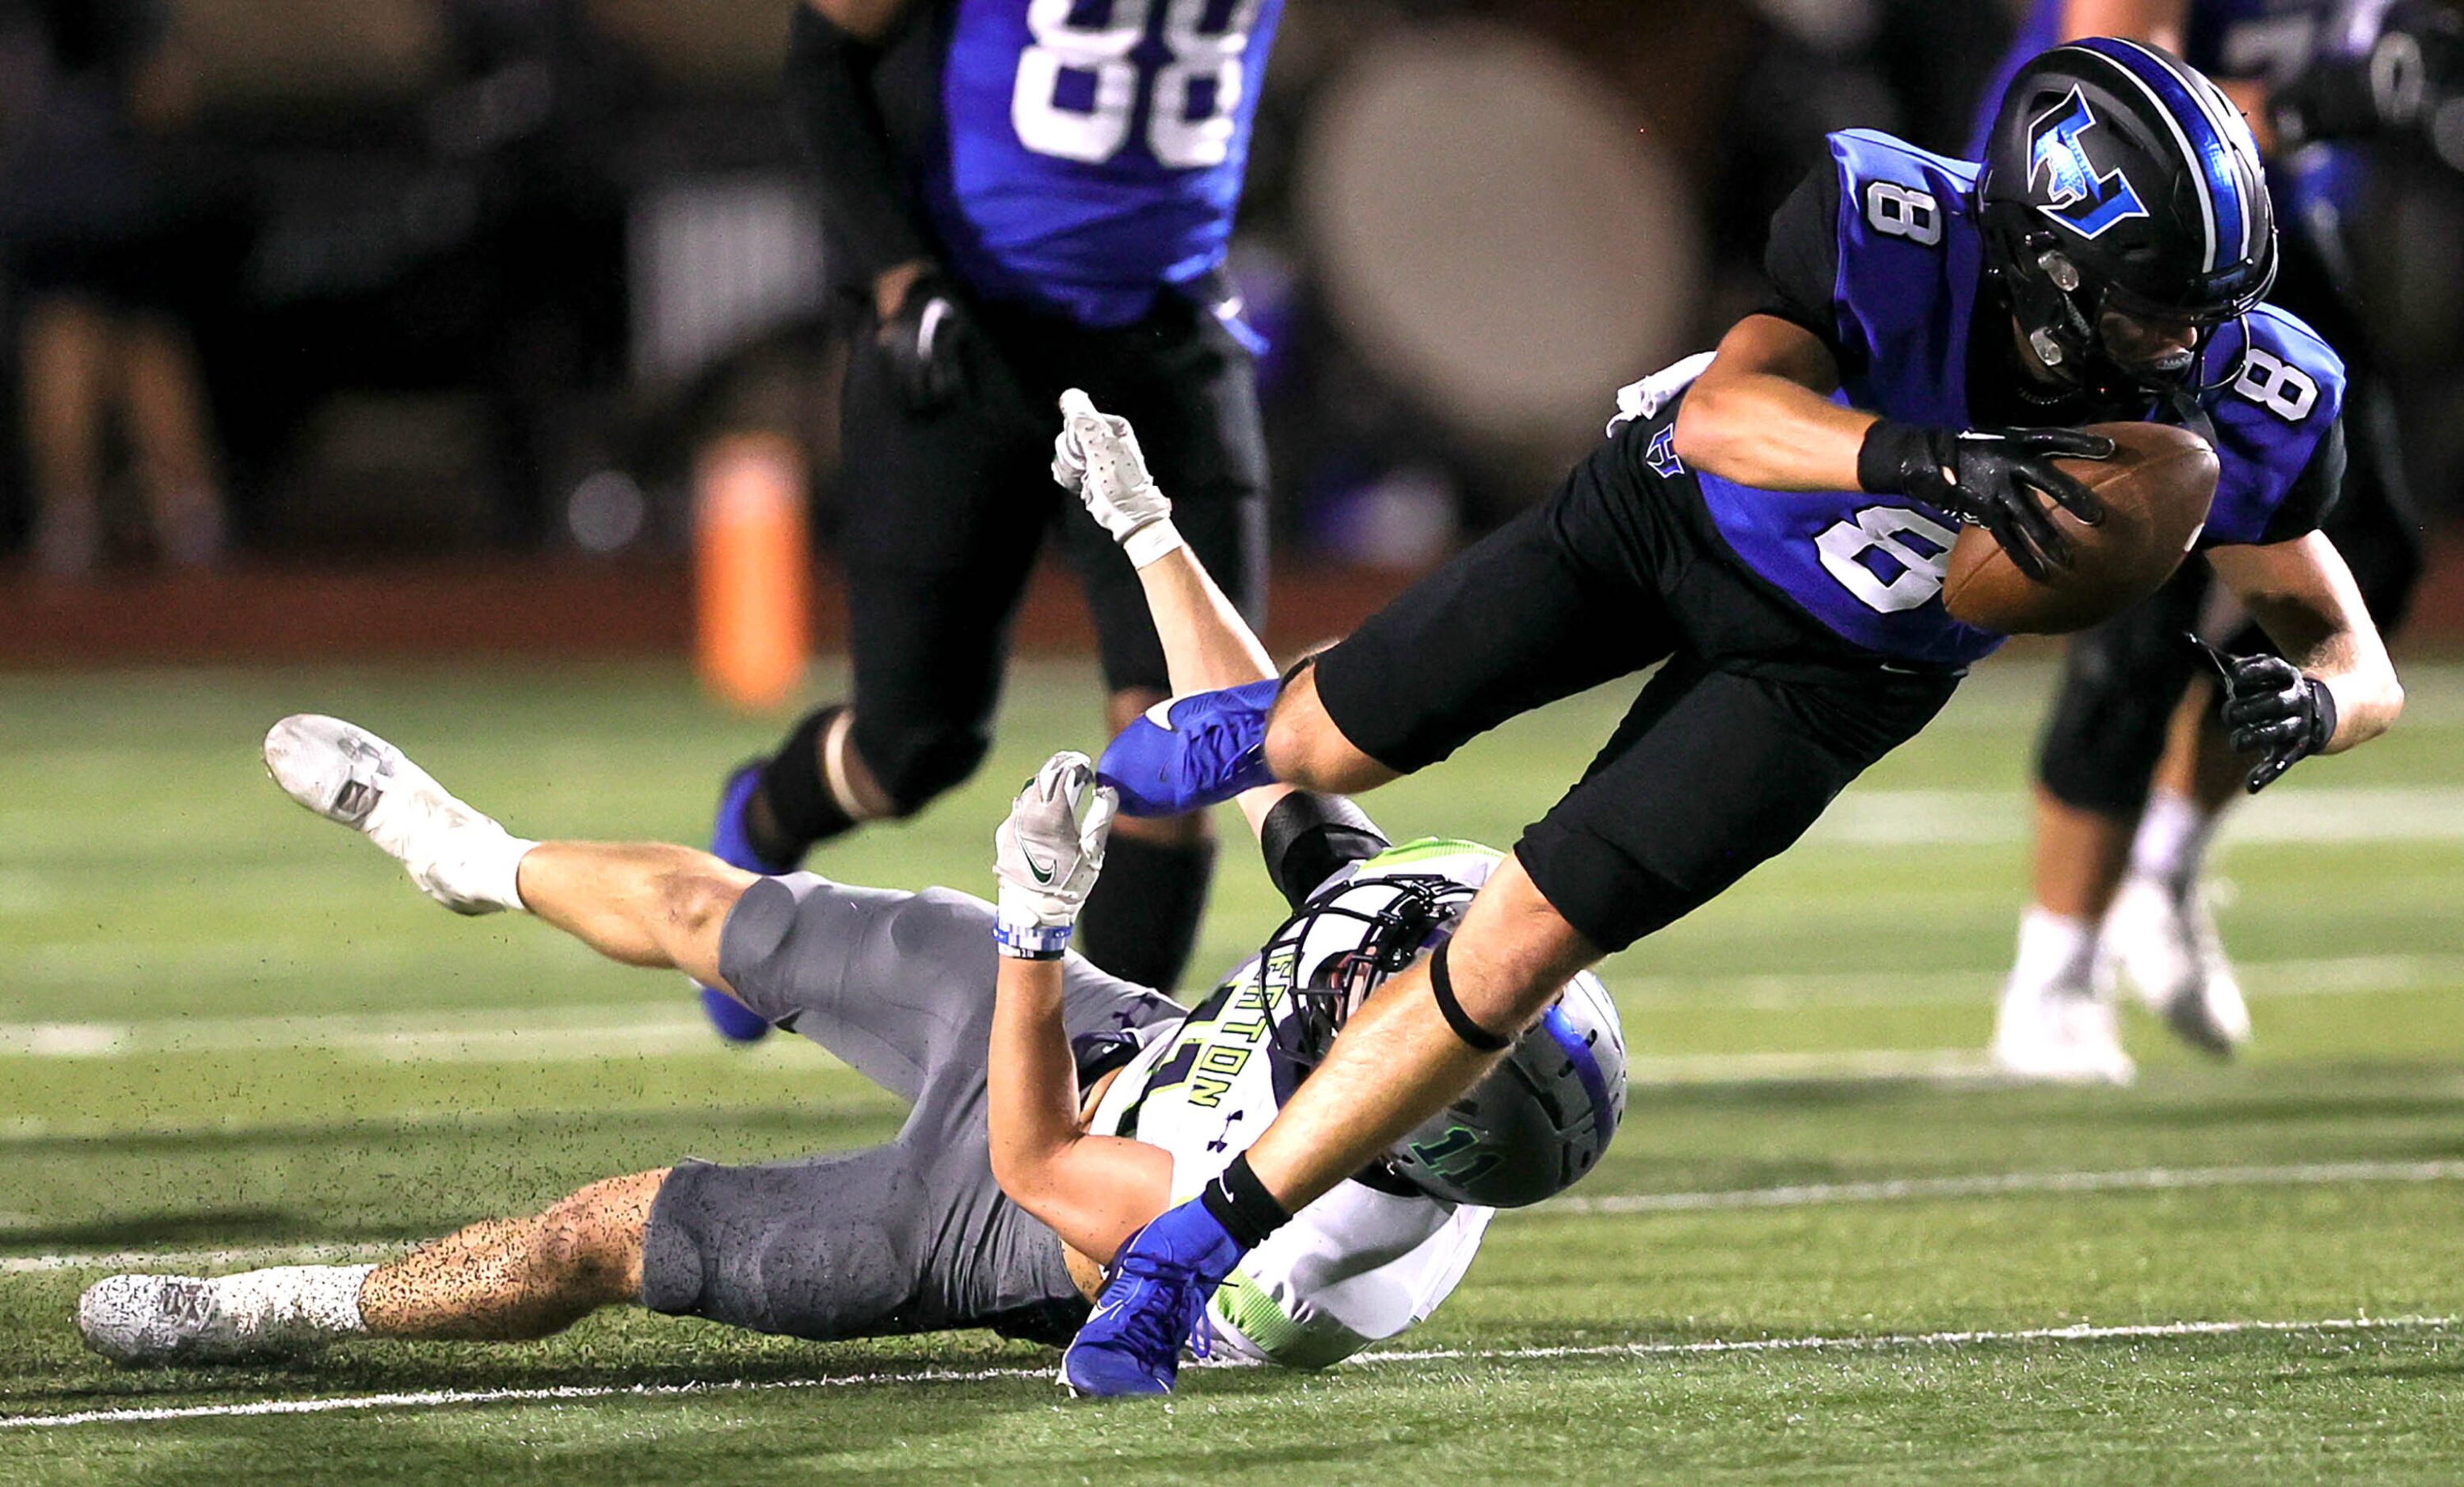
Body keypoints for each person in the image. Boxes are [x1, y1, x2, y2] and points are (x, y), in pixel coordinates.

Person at [1049, 39, 2407, 1395]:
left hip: (1835, 675)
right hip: (1664, 524)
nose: (2189, 342)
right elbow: (1718, 419)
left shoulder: (2234, 397)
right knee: (1324, 740)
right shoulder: (1895, 226)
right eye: (2157, 304)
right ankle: (1153, 743)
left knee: (1515, 949)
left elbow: (2354, 650)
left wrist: (2312, 700)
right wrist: (1923, 453)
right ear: (2047, 261)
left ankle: (1190, 1248)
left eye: (2205, 308)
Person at [77, 397, 1621, 1375]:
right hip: (1120, 1040)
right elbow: (1275, 761)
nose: (1357, 963)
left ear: (1401, 1122)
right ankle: (465, 856)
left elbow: (1032, 1168)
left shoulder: (1297, 1240)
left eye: (1382, 1001)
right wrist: (1151, 539)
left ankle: (277, 1310)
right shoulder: (1423, 1025)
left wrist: (1031, 927)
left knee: (597, 1237)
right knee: (714, 912)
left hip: (1003, 1219)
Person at [687, 0, 1285, 1044]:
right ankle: (764, 816)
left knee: (1191, 736)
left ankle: (1098, 1071)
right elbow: (824, 53)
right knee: (909, 747)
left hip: (1164, 335)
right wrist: (894, 272)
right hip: (969, 334)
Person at [1977, 0, 2447, 1082]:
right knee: (2143, 593)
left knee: (2366, 554)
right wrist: (2309, 103)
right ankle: (2049, 975)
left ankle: (2163, 862)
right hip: (2090, 248)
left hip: (2248, 249)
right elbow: (2123, 108)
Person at [0, 0, 227, 575]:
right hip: (107, 189)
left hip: (50, 187)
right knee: (125, 338)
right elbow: (167, 95)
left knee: (72, 333)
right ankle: (184, 513)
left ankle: (72, 520)